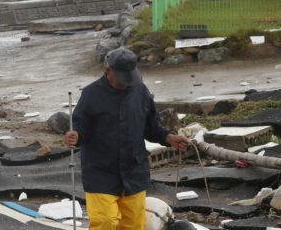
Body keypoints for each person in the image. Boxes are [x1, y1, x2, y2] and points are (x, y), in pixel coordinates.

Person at [64, 48, 191, 230]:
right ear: (108, 71)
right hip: (101, 173)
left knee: (134, 224)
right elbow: (80, 127)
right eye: (123, 78)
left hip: (134, 170)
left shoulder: (140, 91)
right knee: (105, 222)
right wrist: (75, 135)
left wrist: (168, 137)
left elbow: (151, 127)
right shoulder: (91, 94)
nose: (127, 83)